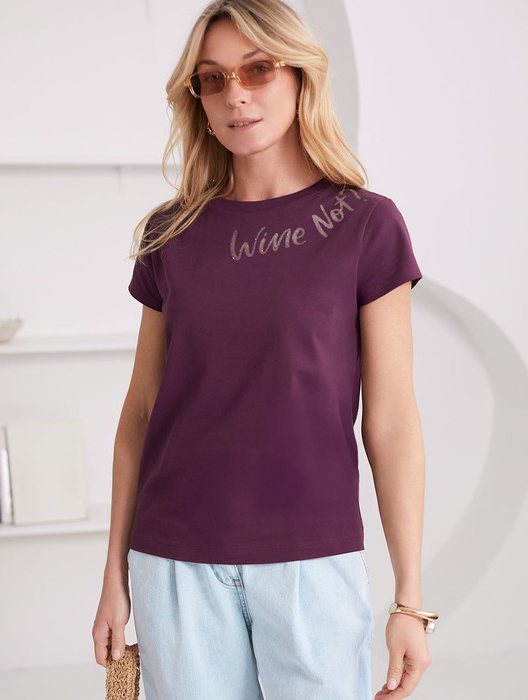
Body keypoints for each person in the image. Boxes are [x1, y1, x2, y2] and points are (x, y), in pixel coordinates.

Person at [92, 1, 438, 698]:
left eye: (258, 70)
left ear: (300, 76)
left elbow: (392, 419)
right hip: (175, 561)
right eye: (212, 79)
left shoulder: (366, 225)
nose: (235, 95)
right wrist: (113, 576)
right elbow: (142, 412)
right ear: (196, 97)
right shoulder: (170, 234)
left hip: (312, 562)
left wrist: (409, 600)